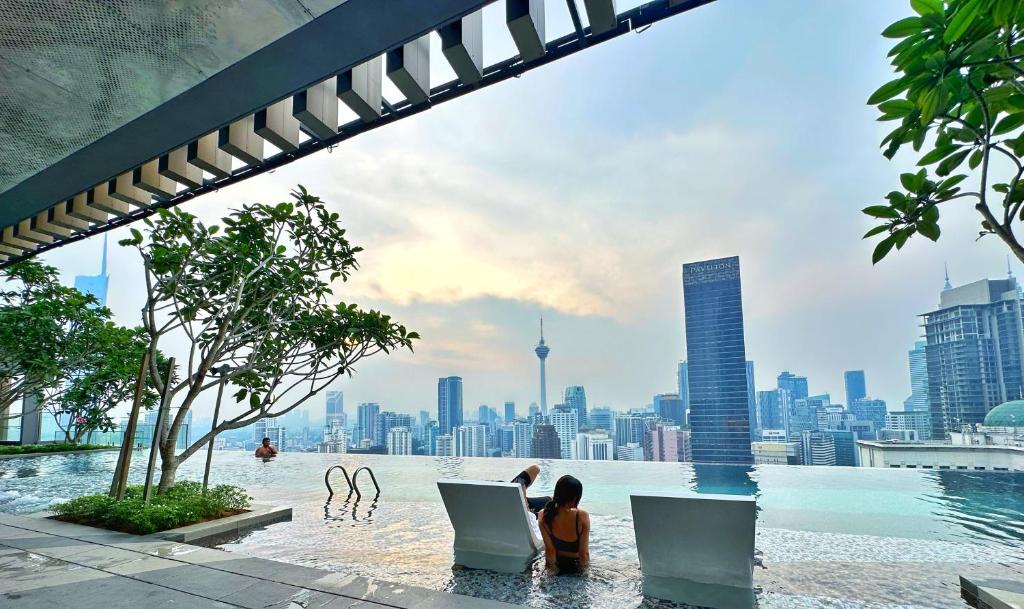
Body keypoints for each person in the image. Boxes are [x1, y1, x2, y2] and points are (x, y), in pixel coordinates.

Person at [538, 475, 590, 573]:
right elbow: (584, 555)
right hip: (576, 567)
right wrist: (585, 575)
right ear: (575, 498)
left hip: (557, 565)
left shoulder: (543, 515)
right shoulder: (582, 516)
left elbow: (550, 551)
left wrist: (551, 572)